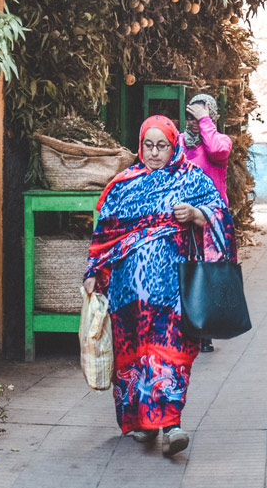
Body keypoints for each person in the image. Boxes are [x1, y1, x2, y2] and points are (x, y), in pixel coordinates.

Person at [83, 114, 236, 458]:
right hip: (127, 295)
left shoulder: (191, 179)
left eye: (162, 146)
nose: (154, 153)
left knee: (170, 354)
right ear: (140, 146)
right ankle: (141, 422)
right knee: (133, 357)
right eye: (148, 145)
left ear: (173, 146)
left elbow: (222, 215)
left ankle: (171, 425)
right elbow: (103, 234)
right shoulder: (122, 184)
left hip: (173, 291)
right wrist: (93, 270)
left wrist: (197, 215)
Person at [181, 94, 233, 352]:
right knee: (186, 270)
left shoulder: (220, 141)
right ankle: (188, 327)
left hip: (211, 219)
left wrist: (204, 122)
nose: (192, 122)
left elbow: (217, 151)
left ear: (211, 117)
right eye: (189, 116)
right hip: (182, 217)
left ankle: (206, 332)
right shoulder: (180, 143)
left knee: (208, 272)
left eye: (198, 116)